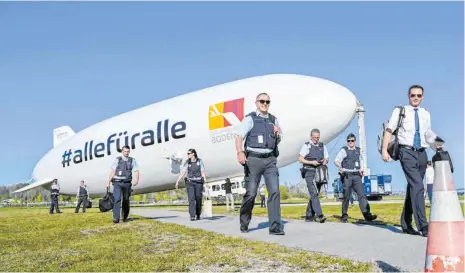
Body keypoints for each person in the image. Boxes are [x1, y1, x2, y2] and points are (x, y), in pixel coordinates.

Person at [381, 84, 443, 237]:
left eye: (419, 95)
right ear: (408, 96)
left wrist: (438, 146)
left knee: (413, 188)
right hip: (406, 152)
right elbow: (389, 130)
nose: (416, 98)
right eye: (413, 95)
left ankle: (406, 223)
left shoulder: (425, 114)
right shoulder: (400, 111)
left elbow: (427, 134)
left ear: (422, 97)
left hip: (422, 153)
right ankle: (423, 225)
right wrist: (384, 150)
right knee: (418, 186)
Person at [235, 92, 284, 235]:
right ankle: (244, 222)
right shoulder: (250, 119)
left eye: (267, 102)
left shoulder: (274, 120)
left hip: (270, 160)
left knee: (274, 191)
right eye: (262, 101)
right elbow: (239, 138)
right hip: (253, 160)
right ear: (257, 103)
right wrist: (240, 152)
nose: (265, 104)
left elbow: (278, 140)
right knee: (251, 193)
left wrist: (277, 133)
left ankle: (275, 227)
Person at [334, 133, 377, 223]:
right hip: (347, 176)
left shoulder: (358, 150)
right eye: (349, 141)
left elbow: (362, 161)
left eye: (352, 141)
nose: (350, 142)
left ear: (355, 141)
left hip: (357, 176)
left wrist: (362, 170)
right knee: (346, 196)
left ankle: (367, 215)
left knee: (361, 195)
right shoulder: (344, 150)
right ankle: (344, 215)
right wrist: (340, 167)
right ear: (347, 141)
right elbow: (336, 160)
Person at [298, 128, 327, 223]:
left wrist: (325, 161)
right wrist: (311, 162)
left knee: (315, 194)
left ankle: (309, 215)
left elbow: (327, 157)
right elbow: (300, 159)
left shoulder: (322, 146)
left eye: (317, 138)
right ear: (311, 136)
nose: (316, 139)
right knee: (313, 193)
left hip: (319, 172)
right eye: (314, 138)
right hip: (309, 171)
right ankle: (320, 215)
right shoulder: (306, 146)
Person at [106, 145, 139, 224]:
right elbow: (113, 171)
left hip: (127, 183)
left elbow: (136, 170)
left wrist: (136, 179)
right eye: (125, 151)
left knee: (126, 200)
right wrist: (108, 181)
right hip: (117, 182)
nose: (126, 153)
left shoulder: (132, 160)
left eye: (128, 151)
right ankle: (116, 218)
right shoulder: (118, 160)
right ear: (122, 151)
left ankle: (124, 217)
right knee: (117, 199)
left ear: (129, 152)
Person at [175, 148, 207, 221]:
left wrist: (206, 182)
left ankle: (198, 213)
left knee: (198, 198)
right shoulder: (187, 162)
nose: (188, 155)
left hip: (199, 182)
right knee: (191, 199)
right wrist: (177, 181)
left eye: (189, 153)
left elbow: (202, 172)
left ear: (193, 154)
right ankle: (192, 215)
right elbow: (183, 172)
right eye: (187, 153)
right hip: (190, 182)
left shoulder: (199, 161)